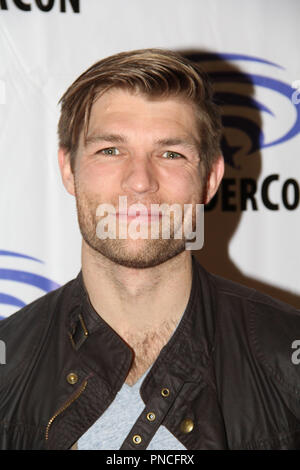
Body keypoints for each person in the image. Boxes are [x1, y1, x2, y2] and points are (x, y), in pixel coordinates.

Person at [0, 48, 300, 451]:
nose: (139, 181)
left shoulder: (287, 360)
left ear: (211, 179)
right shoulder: (8, 369)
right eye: (110, 150)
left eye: (170, 153)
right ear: (69, 169)